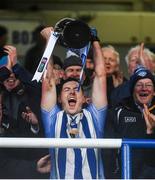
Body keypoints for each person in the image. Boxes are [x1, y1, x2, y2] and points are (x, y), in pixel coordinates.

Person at [41, 26, 107, 179]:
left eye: (76, 90)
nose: (71, 91)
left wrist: (95, 41)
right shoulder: (53, 118)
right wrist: (50, 42)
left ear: (85, 99)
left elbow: (101, 75)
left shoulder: (95, 117)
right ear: (59, 99)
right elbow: (48, 80)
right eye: (66, 90)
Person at [0, 45, 49, 179]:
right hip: (6, 161)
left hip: (33, 162)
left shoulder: (30, 91)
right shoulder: (1, 96)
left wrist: (15, 66)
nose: (10, 75)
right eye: (6, 73)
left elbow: (39, 86)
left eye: (13, 73)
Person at [103, 65, 155, 179]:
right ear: (132, 90)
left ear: (154, 92)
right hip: (126, 175)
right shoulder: (118, 112)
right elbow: (108, 152)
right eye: (139, 85)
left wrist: (152, 130)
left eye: (149, 85)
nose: (144, 88)